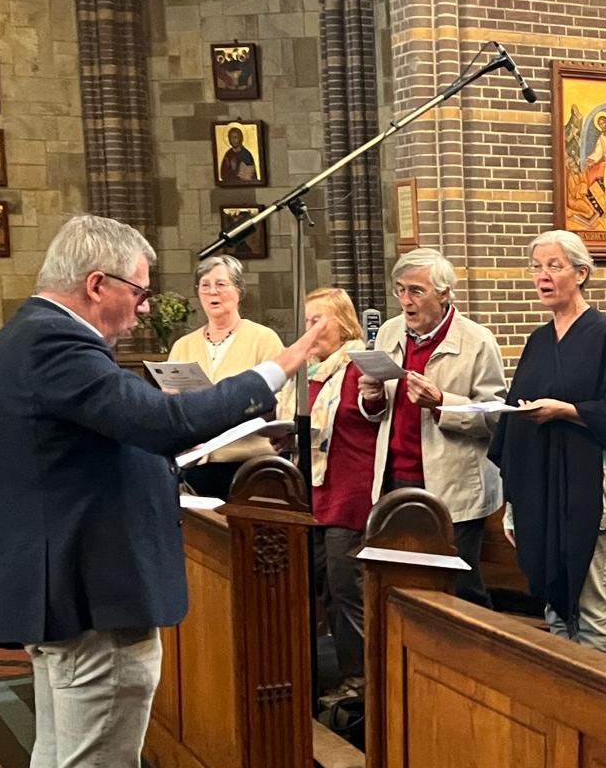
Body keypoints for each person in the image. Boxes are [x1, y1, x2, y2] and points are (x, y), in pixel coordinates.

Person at [0, 214, 322, 768]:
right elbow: (162, 422)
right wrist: (283, 365)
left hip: (65, 588)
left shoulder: (22, 340)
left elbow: (114, 444)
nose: (140, 308)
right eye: (135, 290)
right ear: (97, 285)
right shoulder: (58, 346)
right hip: (96, 594)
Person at [490, 231, 606, 654]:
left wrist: (566, 410)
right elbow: (516, 417)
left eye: (554, 266)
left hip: (592, 488)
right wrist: (514, 501)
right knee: (552, 599)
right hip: (542, 488)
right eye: (536, 267)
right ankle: (561, 692)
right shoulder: (538, 340)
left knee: (590, 599)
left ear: (581, 273)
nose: (542, 276)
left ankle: (597, 698)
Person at [358, 248, 507, 608]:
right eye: (400, 290)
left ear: (443, 293)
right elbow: (378, 414)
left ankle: (474, 657)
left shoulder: (477, 340)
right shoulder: (390, 332)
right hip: (395, 479)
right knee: (402, 583)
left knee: (458, 587)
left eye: (416, 291)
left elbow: (494, 418)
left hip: (452, 486)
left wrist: (441, 402)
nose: (405, 301)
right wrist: (373, 396)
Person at [168, 256, 292, 498]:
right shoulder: (183, 345)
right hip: (196, 466)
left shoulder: (263, 339)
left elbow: (282, 400)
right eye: (205, 285)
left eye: (221, 284)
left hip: (250, 466)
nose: (212, 291)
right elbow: (171, 404)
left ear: (239, 290)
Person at [303, 287, 374, 694]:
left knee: (347, 589)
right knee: (325, 587)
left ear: (343, 322)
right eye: (307, 321)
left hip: (351, 492)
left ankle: (360, 681)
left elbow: (371, 413)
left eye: (318, 320)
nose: (309, 329)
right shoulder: (310, 371)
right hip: (314, 491)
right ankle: (341, 676)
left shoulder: (357, 366)